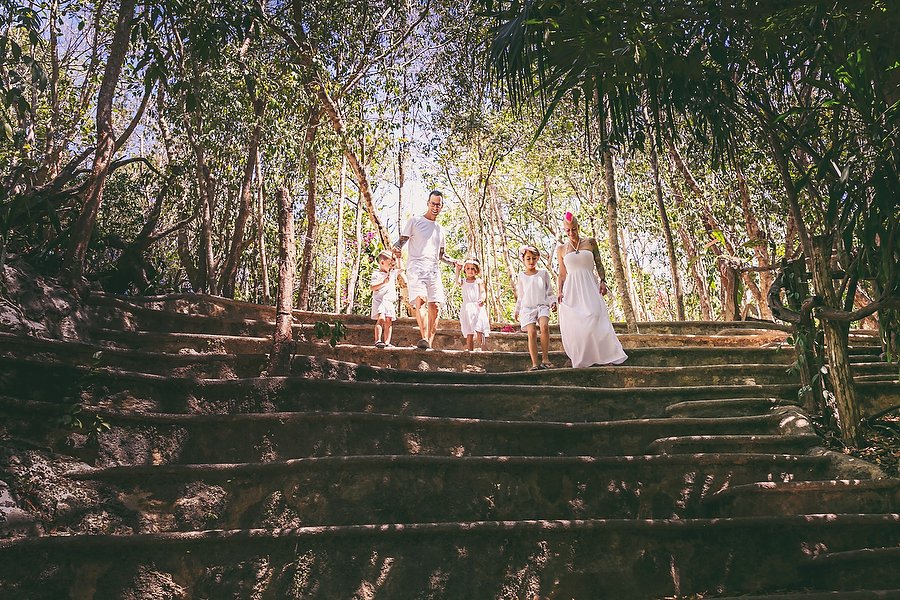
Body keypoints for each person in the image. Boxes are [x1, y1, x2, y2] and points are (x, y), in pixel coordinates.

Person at [556, 211, 627, 368]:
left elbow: (599, 263)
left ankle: (605, 355)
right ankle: (584, 358)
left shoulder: (590, 242)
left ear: (578, 227)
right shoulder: (561, 249)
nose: (571, 233)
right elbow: (562, 274)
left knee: (595, 315)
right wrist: (559, 291)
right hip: (572, 289)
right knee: (577, 322)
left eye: (573, 229)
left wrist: (603, 281)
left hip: (589, 285)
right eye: (567, 230)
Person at [393, 190, 462, 349]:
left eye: (438, 204)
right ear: (428, 203)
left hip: (433, 270)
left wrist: (454, 263)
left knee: (436, 306)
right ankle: (423, 337)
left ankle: (428, 344)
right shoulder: (415, 221)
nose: (435, 207)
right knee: (421, 300)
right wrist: (394, 250)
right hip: (416, 267)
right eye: (433, 203)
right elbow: (400, 242)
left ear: (441, 206)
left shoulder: (440, 229)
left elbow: (441, 255)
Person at [514, 245, 556, 370]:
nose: (531, 261)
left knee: (544, 326)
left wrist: (553, 302)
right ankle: (534, 363)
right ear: (523, 260)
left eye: (533, 258)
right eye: (528, 258)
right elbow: (521, 295)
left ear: (537, 258)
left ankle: (545, 358)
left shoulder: (543, 273)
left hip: (542, 305)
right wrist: (517, 310)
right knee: (531, 333)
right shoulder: (521, 276)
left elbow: (549, 291)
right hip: (527, 308)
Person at [454, 258, 490, 351]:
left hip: (477, 307)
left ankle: (483, 349)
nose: (470, 271)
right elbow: (457, 281)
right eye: (468, 268)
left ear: (477, 270)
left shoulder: (479, 281)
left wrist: (482, 299)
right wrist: (457, 269)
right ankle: (470, 351)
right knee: (469, 332)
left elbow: (482, 292)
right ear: (465, 270)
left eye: (473, 269)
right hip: (467, 308)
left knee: (479, 329)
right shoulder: (463, 281)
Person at [370, 249, 400, 348]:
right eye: (389, 264)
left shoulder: (392, 273)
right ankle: (377, 340)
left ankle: (387, 342)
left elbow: (402, 269)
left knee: (389, 320)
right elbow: (372, 287)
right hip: (380, 300)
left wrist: (398, 257)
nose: (391, 267)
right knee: (381, 318)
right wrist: (383, 282)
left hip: (389, 301)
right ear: (382, 262)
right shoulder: (376, 274)